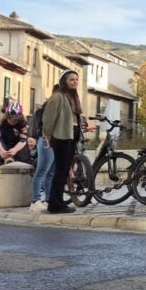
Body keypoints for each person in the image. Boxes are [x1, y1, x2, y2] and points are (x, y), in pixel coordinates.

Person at [41, 69, 84, 215]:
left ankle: (57, 203)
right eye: (71, 79)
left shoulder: (73, 97)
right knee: (60, 171)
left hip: (71, 137)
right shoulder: (58, 96)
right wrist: (47, 135)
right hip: (61, 137)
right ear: (64, 81)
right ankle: (54, 204)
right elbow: (48, 118)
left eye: (76, 79)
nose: (75, 82)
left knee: (64, 171)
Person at [27, 103, 54, 209]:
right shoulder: (45, 111)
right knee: (41, 172)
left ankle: (48, 199)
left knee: (50, 173)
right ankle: (35, 200)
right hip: (45, 141)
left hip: (52, 141)